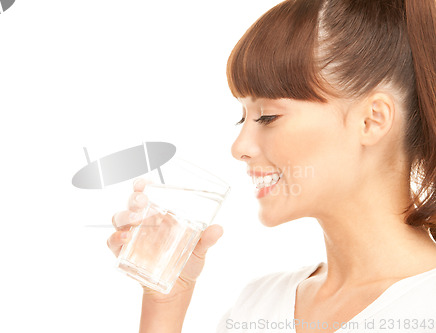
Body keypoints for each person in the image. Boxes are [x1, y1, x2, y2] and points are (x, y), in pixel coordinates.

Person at [107, 0, 436, 331]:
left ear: (371, 120)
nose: (239, 148)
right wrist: (165, 302)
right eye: (243, 117)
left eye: (267, 116)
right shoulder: (257, 306)